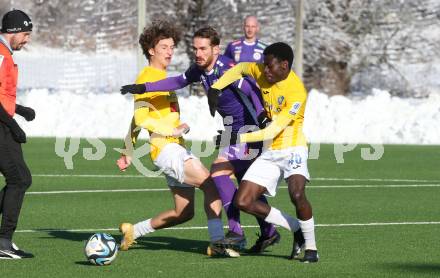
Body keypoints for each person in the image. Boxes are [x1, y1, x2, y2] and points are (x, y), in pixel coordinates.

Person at [120, 27, 289, 253]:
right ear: (151, 51)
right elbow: (174, 84)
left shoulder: (225, 68)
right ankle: (262, 232)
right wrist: (143, 89)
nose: (197, 53)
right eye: (194, 49)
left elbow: (250, 88)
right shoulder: (186, 72)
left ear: (215, 49)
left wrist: (262, 118)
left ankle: (237, 234)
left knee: (216, 179)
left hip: (248, 131)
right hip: (207, 138)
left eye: (202, 49)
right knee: (227, 184)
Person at [116, 21, 238, 258]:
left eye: (172, 47)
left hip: (171, 149)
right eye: (164, 47)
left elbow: (136, 119)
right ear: (151, 50)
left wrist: (127, 150)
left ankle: (134, 231)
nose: (169, 51)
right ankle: (217, 243)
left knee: (184, 212)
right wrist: (170, 131)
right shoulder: (147, 76)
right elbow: (141, 118)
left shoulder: (161, 77)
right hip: (166, 150)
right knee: (211, 185)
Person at [209, 42, 319, 263]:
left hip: (293, 148)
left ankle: (312, 248)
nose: (264, 70)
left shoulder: (296, 92)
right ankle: (294, 227)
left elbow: (273, 129)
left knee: (297, 194)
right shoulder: (262, 69)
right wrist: (216, 87)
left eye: (269, 66)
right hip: (271, 151)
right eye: (263, 65)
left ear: (284, 65)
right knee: (244, 200)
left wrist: (237, 137)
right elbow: (240, 69)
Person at [0, 9, 35, 259]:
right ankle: (3, 243)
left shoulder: (6, 55)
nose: (27, 39)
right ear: (11, 32)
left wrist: (20, 110)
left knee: (20, 178)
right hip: (1, 125)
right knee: (19, 178)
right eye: (24, 34)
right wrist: (13, 126)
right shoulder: (1, 55)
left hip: (4, 121)